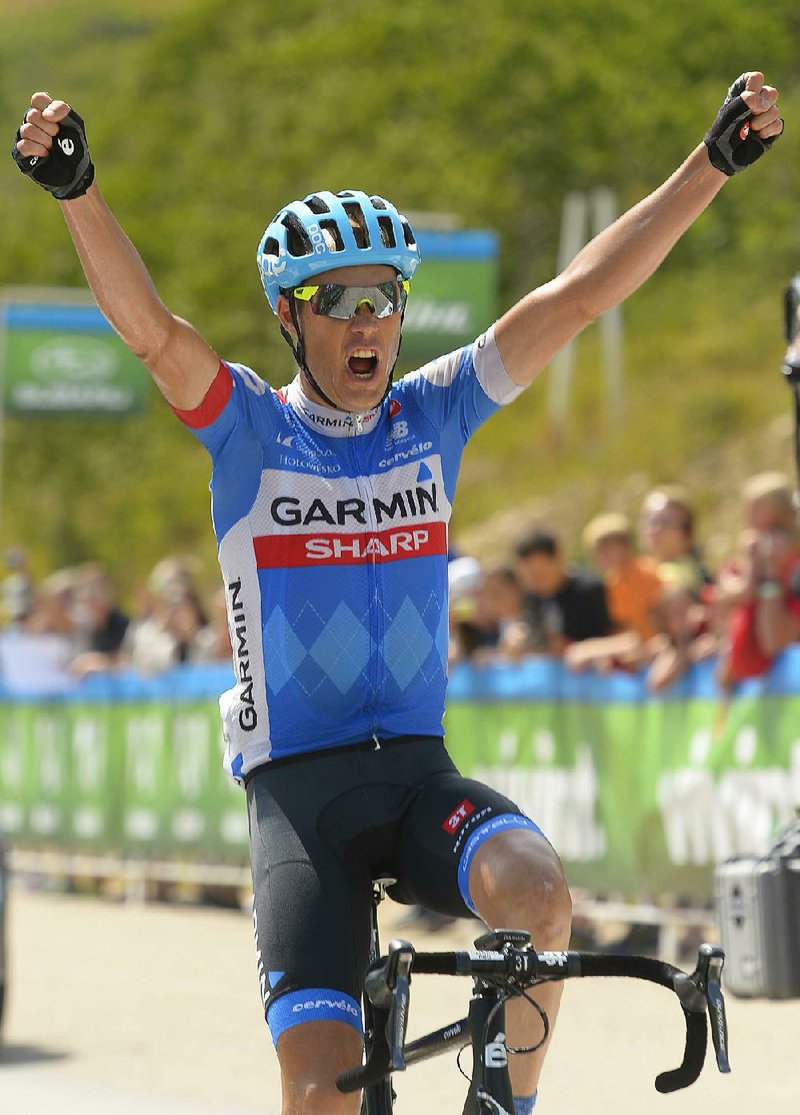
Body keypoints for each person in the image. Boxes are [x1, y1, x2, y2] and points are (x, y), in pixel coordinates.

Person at [12, 72, 784, 1115]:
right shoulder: (247, 426)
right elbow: (151, 331)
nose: (367, 318)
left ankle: (502, 1103)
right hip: (300, 800)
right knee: (321, 1091)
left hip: (421, 776)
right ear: (292, 315)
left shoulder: (435, 411)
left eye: (384, 295)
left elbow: (581, 295)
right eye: (339, 298)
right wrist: (78, 191)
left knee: (536, 888)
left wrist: (710, 166)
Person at [515, 528, 613, 656]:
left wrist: (577, 647)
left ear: (558, 558)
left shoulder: (589, 591)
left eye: (539, 573)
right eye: (528, 575)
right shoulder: (532, 598)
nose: (534, 580)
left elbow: (613, 637)